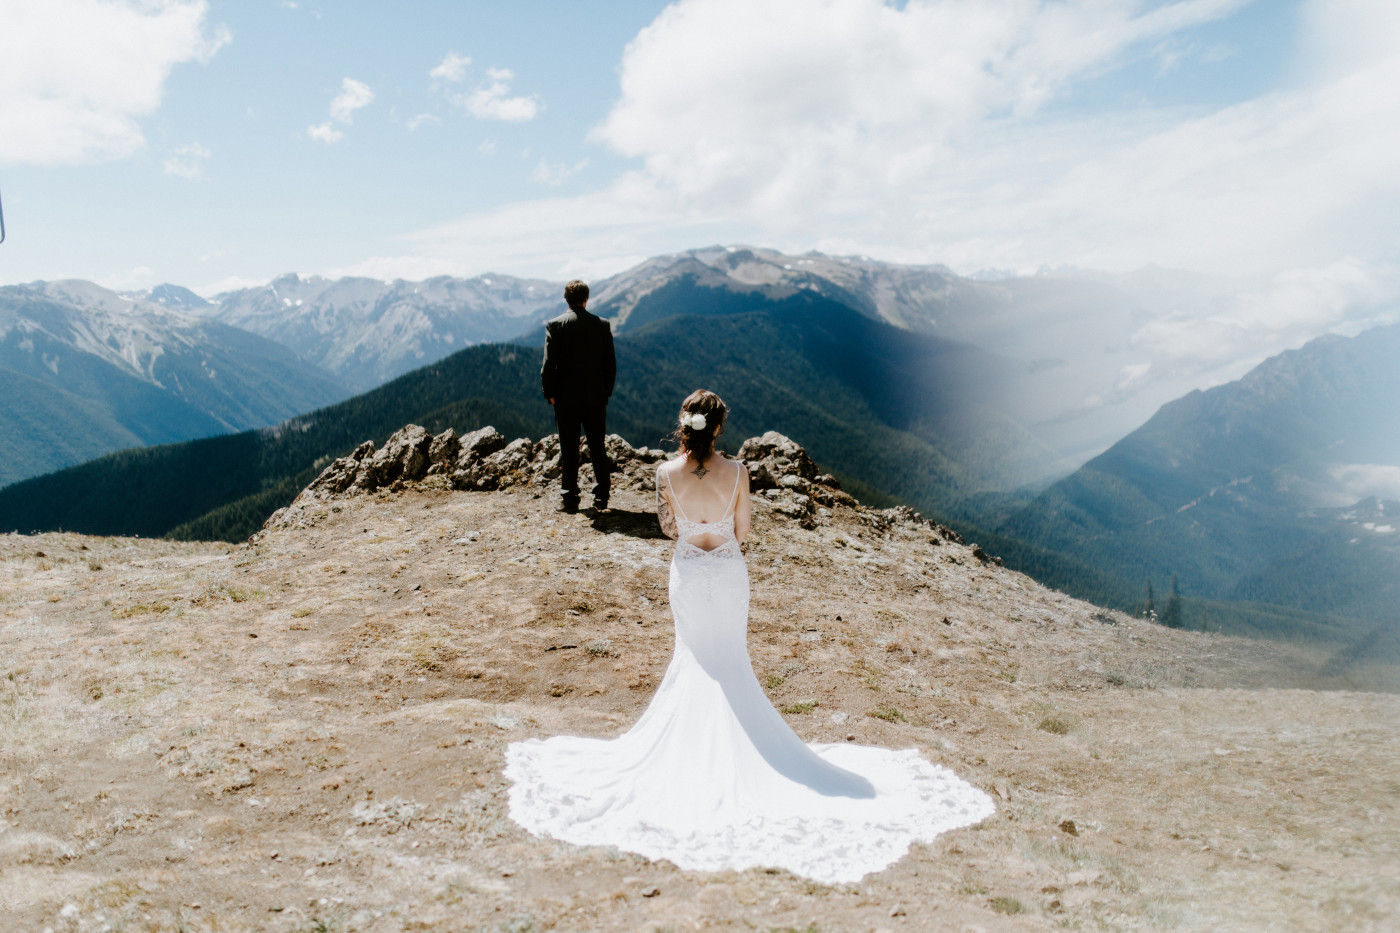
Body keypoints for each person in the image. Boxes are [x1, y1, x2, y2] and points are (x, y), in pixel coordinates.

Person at [505, 389, 995, 883]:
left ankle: (691, 759)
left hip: (689, 575)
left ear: (685, 425)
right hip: (728, 572)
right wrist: (720, 541)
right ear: (717, 428)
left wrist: (695, 535)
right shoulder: (738, 471)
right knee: (731, 661)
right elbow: (743, 532)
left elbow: (666, 528)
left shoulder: (663, 474)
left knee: (693, 658)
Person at [540, 279, 615, 514]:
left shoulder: (555, 325)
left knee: (569, 448)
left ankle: (570, 499)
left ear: (566, 299)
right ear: (586, 298)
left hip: (565, 400)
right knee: (597, 448)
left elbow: (547, 366)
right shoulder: (601, 325)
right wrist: (605, 393)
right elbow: (610, 366)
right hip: (595, 398)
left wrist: (550, 394)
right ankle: (601, 497)